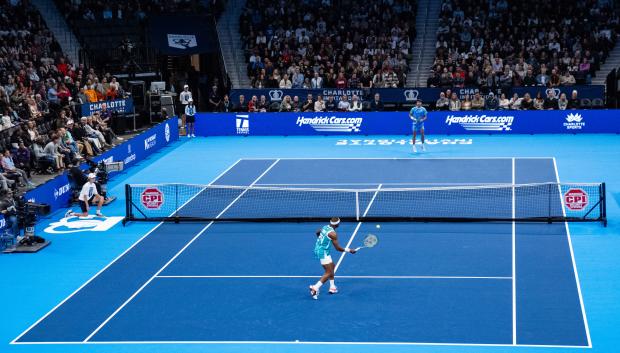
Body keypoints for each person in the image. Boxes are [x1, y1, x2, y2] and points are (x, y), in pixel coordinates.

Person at [309, 217, 356, 300]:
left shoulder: (325, 227)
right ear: (337, 224)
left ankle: (332, 287)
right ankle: (315, 288)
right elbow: (338, 249)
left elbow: (317, 232)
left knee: (333, 266)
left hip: (321, 250)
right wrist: (349, 250)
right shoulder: (333, 234)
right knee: (328, 272)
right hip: (323, 252)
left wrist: (321, 241)